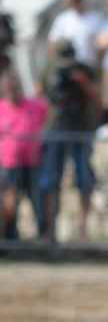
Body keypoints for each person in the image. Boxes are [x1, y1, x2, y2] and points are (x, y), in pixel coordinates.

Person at [38, 41, 99, 242]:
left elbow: (97, 98)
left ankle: (83, 231)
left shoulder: (84, 71)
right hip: (56, 128)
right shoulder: (49, 69)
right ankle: (50, 231)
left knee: (84, 179)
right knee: (50, 180)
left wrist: (82, 82)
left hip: (80, 128)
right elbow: (45, 94)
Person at [0, 69, 46, 239]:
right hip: (9, 165)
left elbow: (48, 117)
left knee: (38, 202)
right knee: (10, 205)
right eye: (9, 88)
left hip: (33, 163)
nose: (12, 91)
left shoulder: (35, 106)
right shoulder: (1, 108)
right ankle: (10, 240)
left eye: (15, 87)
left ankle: (44, 239)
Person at [47, 0, 99, 69]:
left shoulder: (95, 18)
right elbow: (53, 43)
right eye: (69, 3)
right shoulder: (63, 19)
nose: (71, 5)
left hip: (90, 65)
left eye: (73, 1)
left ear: (80, 0)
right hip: (70, 67)